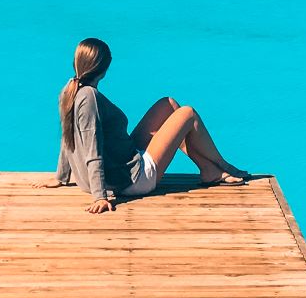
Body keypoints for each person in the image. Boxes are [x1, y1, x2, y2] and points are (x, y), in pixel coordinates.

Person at [52, 37, 247, 214]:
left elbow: (66, 137)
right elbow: (93, 150)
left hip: (122, 165)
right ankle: (222, 165)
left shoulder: (69, 91)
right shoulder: (89, 97)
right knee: (188, 113)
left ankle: (208, 169)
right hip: (132, 180)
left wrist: (60, 178)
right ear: (104, 69)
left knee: (168, 105)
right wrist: (100, 197)